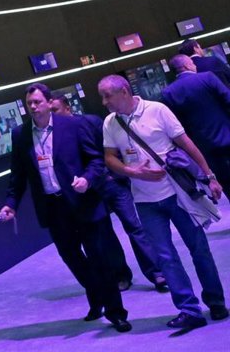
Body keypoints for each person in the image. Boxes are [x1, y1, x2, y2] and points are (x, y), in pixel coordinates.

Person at [0, 84, 131, 332]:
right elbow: (18, 175)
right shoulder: (20, 134)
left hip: (84, 202)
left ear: (49, 103)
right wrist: (11, 204)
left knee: (100, 258)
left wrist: (87, 179)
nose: (33, 107)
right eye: (29, 103)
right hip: (53, 207)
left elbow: (95, 160)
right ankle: (96, 295)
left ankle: (116, 312)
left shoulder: (73, 126)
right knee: (72, 258)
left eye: (37, 102)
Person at [98, 74, 228, 330]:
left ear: (124, 91)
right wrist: (132, 172)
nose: (104, 102)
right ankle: (189, 310)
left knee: (199, 249)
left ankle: (216, 301)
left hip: (177, 194)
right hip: (145, 201)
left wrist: (210, 176)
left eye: (107, 96)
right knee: (165, 257)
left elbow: (187, 144)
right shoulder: (110, 123)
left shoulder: (157, 110)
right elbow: (109, 158)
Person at [50, 93, 167, 292]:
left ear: (67, 107)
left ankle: (157, 273)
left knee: (134, 226)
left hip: (111, 183)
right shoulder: (53, 137)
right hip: (87, 191)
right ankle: (121, 275)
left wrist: (117, 174)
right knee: (105, 235)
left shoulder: (90, 122)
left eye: (56, 110)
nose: (53, 115)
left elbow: (110, 151)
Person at [162, 54, 230, 187]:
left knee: (224, 180)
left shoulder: (168, 93)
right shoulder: (207, 77)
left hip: (203, 145)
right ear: (187, 65)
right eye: (192, 63)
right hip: (227, 133)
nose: (195, 66)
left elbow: (177, 123)